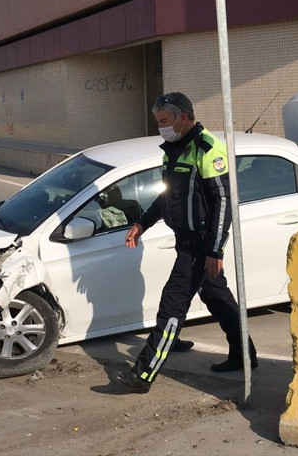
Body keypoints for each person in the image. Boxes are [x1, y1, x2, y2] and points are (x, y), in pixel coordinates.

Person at [112, 92, 257, 394]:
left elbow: (223, 201)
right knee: (217, 297)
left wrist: (214, 250)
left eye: (165, 121)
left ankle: (142, 375)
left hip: (200, 245)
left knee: (172, 307)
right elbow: (168, 195)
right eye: (159, 123)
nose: (161, 128)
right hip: (186, 240)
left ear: (185, 117)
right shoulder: (175, 150)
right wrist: (142, 222)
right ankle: (246, 355)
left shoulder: (207, 150)